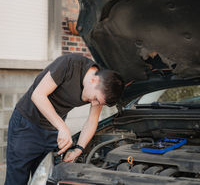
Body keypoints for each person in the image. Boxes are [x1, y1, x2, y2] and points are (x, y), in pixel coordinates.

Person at [4, 53, 124, 185]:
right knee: (17, 180)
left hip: (53, 130)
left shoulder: (101, 88)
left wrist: (78, 149)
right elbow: (38, 95)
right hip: (27, 125)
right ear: (94, 80)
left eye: (100, 103)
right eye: (96, 99)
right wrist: (62, 127)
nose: (95, 104)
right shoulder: (69, 64)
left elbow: (92, 120)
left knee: (45, 180)